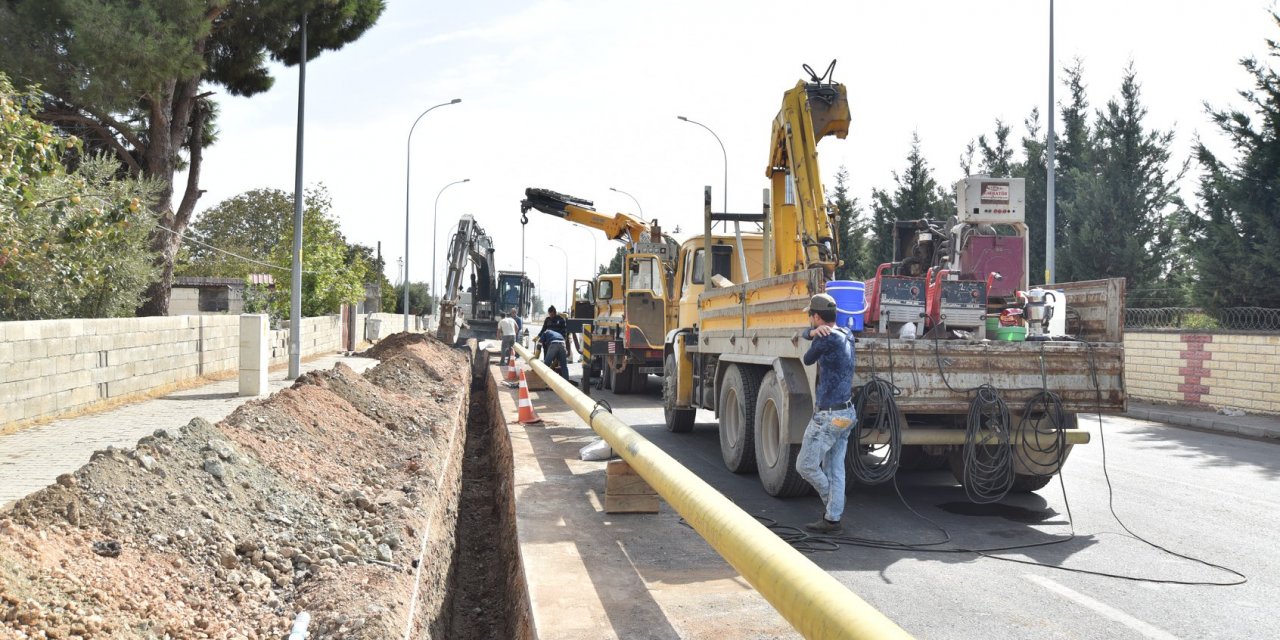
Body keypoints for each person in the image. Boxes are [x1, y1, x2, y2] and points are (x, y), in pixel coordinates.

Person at [796, 293, 857, 534]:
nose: (809, 320)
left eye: (811, 317)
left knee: (805, 466)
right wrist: (810, 332)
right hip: (847, 413)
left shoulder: (826, 338)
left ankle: (832, 503)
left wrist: (813, 334)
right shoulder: (847, 334)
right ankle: (833, 518)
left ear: (817, 317)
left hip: (828, 417)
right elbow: (807, 334)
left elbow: (808, 358)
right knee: (835, 468)